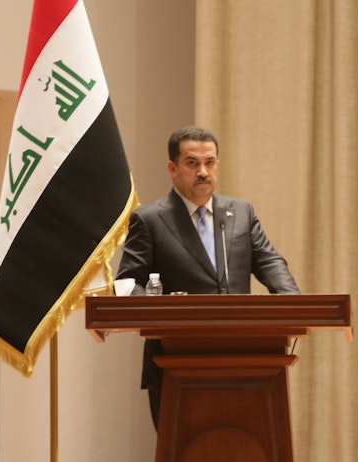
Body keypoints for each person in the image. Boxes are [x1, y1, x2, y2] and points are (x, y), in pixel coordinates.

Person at [116, 125, 300, 429]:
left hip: (245, 359)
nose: (203, 171)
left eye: (210, 162)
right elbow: (126, 283)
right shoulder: (149, 220)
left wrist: (293, 304)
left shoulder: (241, 213)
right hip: (175, 361)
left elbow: (270, 262)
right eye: (192, 163)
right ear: (173, 169)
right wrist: (161, 309)